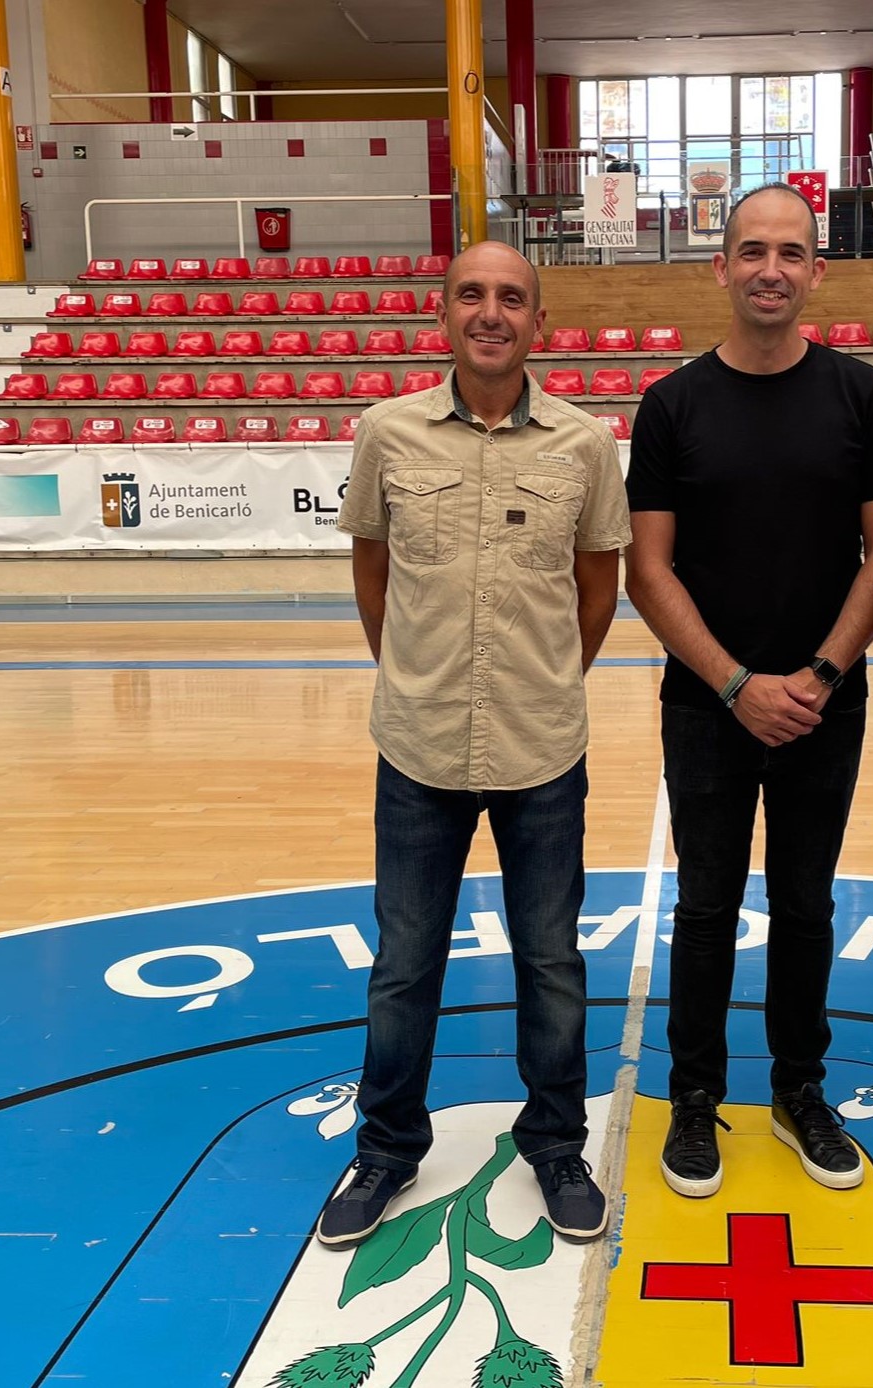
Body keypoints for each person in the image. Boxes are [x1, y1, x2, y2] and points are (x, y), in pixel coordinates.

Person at [322, 241, 631, 1248]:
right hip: (416, 745)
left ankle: (553, 1142)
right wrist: (415, 672)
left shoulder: (583, 445)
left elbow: (598, 590)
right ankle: (386, 1145)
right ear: (443, 313)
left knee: (551, 959)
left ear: (539, 322)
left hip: (543, 747)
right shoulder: (386, 433)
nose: (490, 311)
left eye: (511, 297)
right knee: (405, 961)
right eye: (471, 294)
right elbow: (374, 575)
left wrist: (539, 678)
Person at [625, 183, 873, 1198]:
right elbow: (646, 570)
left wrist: (820, 674)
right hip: (706, 703)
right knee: (704, 908)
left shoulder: (860, 395)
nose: (770, 268)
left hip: (828, 702)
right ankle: (694, 1097)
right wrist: (738, 681)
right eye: (751, 250)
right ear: (721, 265)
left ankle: (799, 1090)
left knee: (804, 904)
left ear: (817, 269)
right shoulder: (672, 403)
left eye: (791, 251)